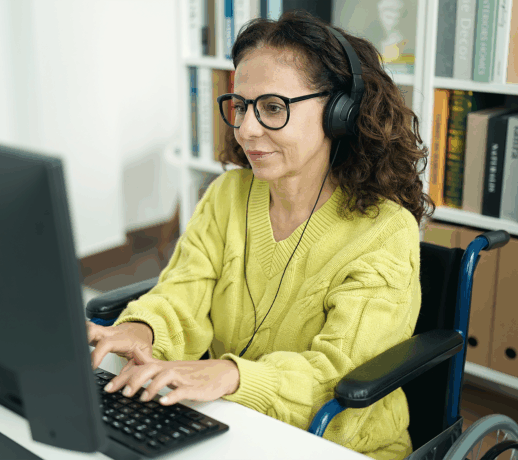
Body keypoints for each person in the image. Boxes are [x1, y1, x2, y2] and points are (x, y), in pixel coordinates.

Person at [87, 9, 435, 460]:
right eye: (242, 106)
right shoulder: (227, 194)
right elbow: (183, 293)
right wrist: (143, 328)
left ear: (340, 112)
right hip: (229, 419)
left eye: (273, 107)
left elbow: (340, 376)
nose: (247, 128)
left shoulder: (384, 231)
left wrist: (229, 376)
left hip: (339, 444)